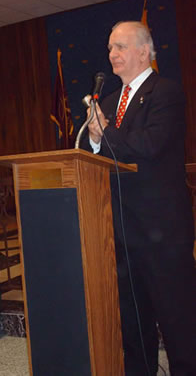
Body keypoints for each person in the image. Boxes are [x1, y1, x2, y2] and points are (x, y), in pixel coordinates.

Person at [82, 21, 196, 375]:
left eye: (120, 47)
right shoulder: (112, 100)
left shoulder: (166, 93)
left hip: (163, 230)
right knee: (132, 317)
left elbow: (148, 147)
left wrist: (107, 133)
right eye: (110, 48)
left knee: (177, 318)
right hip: (121, 228)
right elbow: (93, 151)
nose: (112, 55)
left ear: (144, 52)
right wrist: (95, 138)